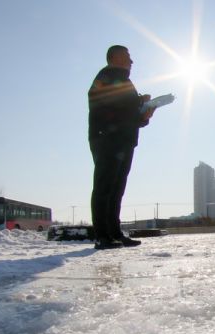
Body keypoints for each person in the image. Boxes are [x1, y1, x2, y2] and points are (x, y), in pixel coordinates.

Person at [88, 45, 155, 249]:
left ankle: (114, 233)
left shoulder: (122, 79)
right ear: (115, 57)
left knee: (117, 188)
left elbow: (125, 113)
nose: (131, 61)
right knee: (105, 186)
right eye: (127, 56)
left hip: (123, 140)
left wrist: (143, 115)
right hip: (108, 139)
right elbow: (113, 105)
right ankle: (102, 236)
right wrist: (138, 105)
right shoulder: (108, 75)